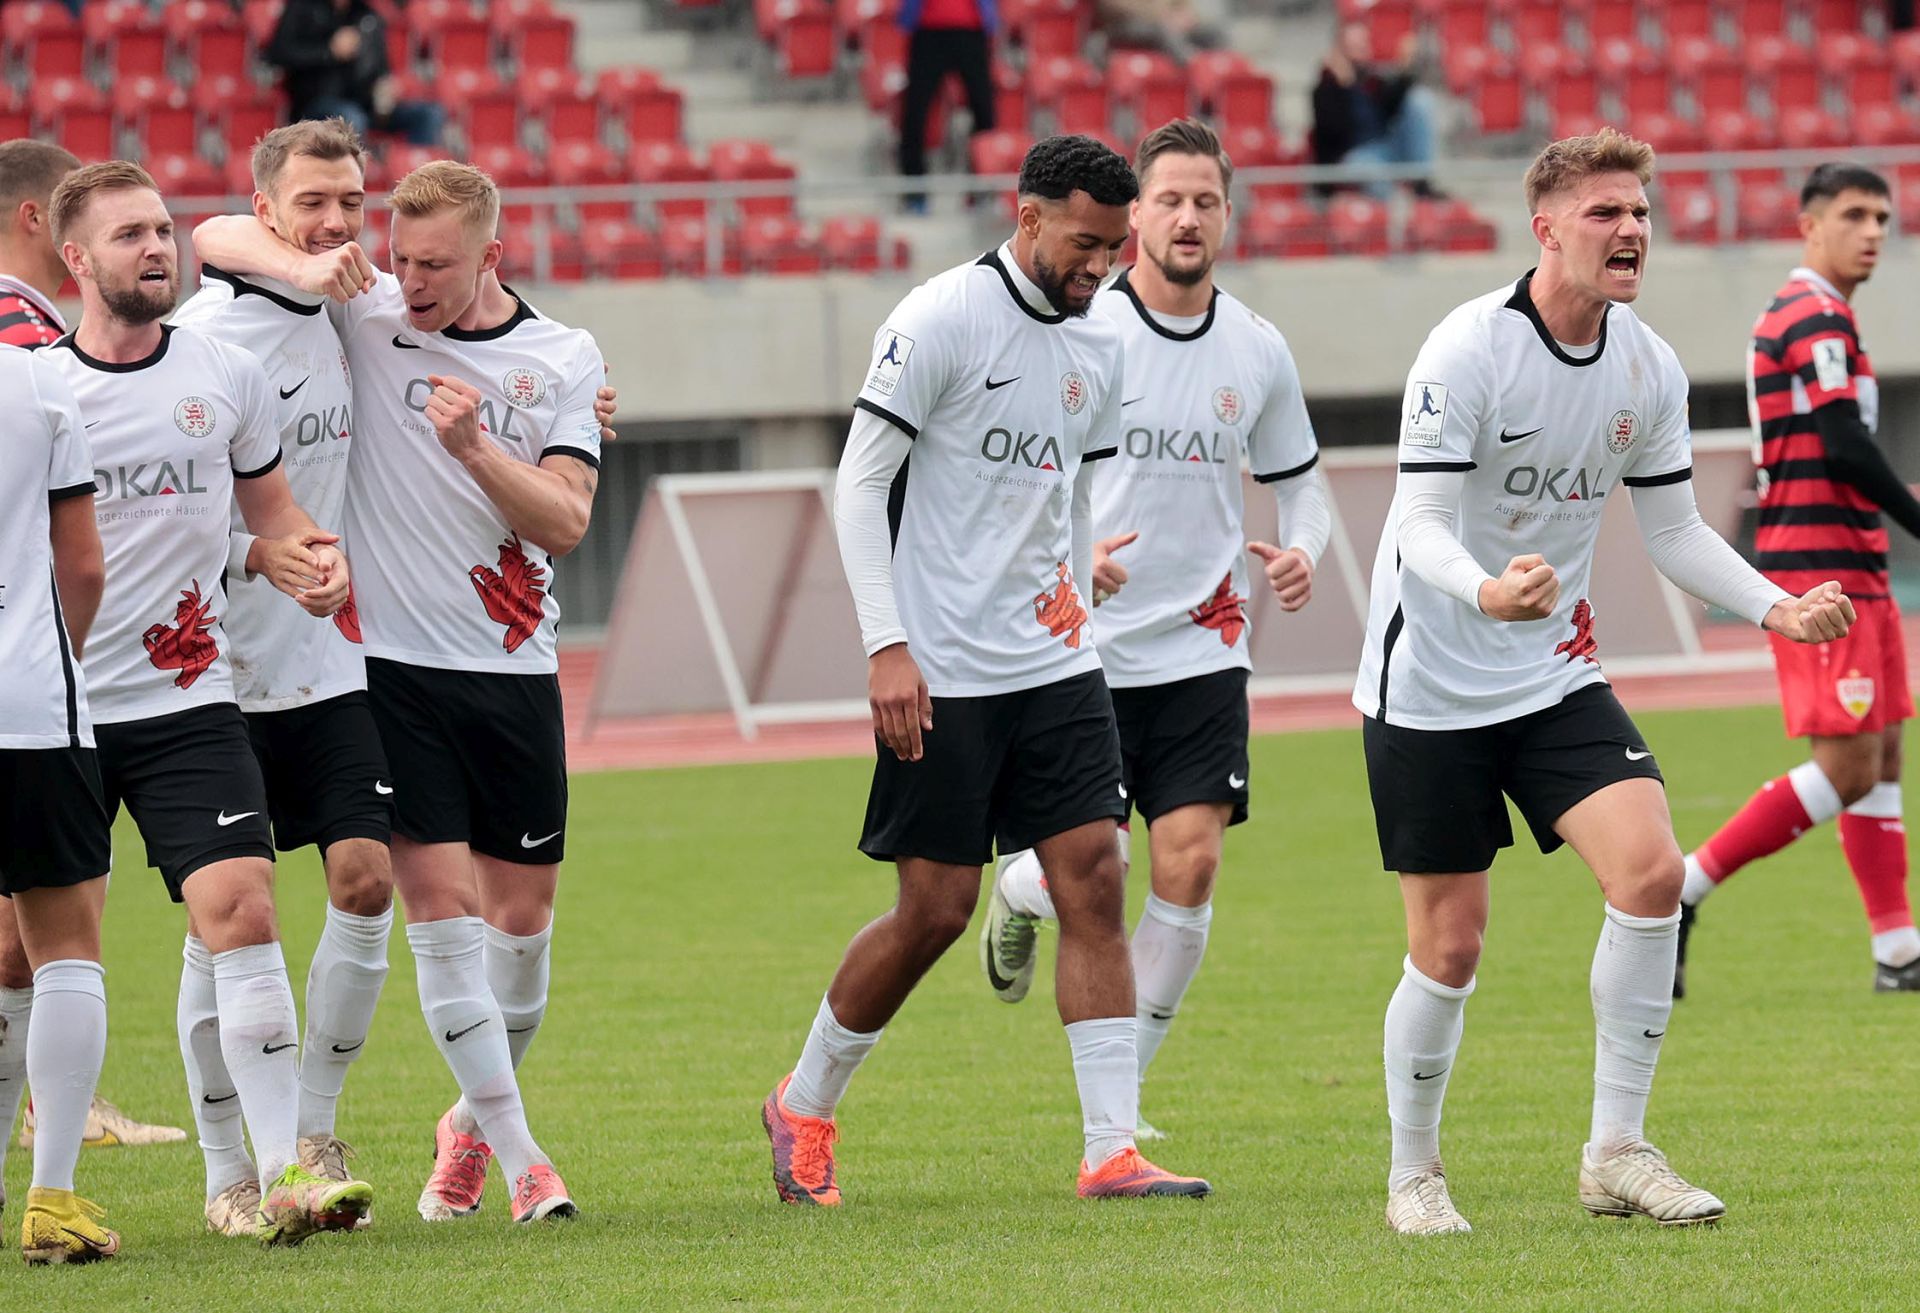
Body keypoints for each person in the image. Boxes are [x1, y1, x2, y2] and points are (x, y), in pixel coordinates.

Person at [1352, 128, 1855, 1235]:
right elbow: (1421, 522)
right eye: (1604, 214)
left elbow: (1673, 528)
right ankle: (1413, 1173)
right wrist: (1487, 591)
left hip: (1553, 673)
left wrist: (1774, 603)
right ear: (1546, 229)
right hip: (1429, 683)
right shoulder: (1466, 350)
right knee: (1449, 946)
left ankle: (1616, 1150)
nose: (1631, 231)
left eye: (1639, 212)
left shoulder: (1649, 365)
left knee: (1650, 873)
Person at [760, 134, 1210, 1206]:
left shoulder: (1100, 343)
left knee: (1096, 876)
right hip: (940, 669)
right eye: (1085, 243)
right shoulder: (938, 319)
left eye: (1115, 245)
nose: (1100, 265)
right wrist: (886, 643)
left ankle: (1110, 1148)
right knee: (935, 909)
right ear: (1029, 218)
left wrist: (1079, 574)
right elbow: (860, 487)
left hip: (1055, 664)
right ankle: (804, 1101)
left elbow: (1079, 487)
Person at [194, 159, 607, 1226]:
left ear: (491, 256)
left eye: (437, 265)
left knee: (523, 943)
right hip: (393, 676)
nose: (411, 283)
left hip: (515, 672)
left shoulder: (562, 356)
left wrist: (473, 446)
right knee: (427, 912)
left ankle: (466, 1126)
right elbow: (211, 239)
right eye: (403, 258)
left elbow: (563, 523)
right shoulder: (365, 310)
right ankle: (498, 1157)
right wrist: (312, 251)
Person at [44, 161, 374, 1244]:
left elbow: (278, 514)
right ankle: (39, 1197)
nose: (155, 247)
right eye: (128, 234)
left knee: (243, 909)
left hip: (192, 699)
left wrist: (302, 560)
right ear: (73, 260)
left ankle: (277, 1175)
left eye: (161, 229)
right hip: (62, 709)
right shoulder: (39, 392)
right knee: (23, 957)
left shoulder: (222, 371)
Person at [980, 119, 1330, 1138]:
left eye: (1205, 201)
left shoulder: (1256, 348)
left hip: (1203, 640)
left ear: (1229, 214)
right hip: (1079, 642)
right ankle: (1016, 888)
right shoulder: (1083, 329)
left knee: (1191, 860)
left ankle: (1119, 1106)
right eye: (1168, 199)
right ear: (1137, 214)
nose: (1187, 217)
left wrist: (1302, 543)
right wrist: (1065, 553)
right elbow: (1008, 471)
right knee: (1092, 867)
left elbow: (1299, 481)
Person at [167, 118, 396, 1234]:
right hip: (218, 665)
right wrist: (258, 553)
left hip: (331, 657)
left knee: (363, 878)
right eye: (312, 202)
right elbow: (163, 516)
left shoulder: (359, 307)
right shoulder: (206, 336)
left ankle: (310, 1129)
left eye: (351, 201)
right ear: (266, 213)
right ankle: (227, 1174)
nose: (337, 222)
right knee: (225, 924)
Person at [1676, 166, 1919, 994]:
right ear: (1810, 225)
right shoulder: (1812, 312)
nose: (1874, 230)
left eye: (1883, 217)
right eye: (1854, 214)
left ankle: (1896, 950)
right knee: (1850, 765)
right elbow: (1841, 443)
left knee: (1882, 756)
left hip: (1855, 560)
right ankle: (1683, 887)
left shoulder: (1830, 314)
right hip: (1821, 570)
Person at [0, 138, 188, 1164]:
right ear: (46, 226)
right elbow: (80, 558)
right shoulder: (35, 355)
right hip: (38, 688)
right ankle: (52, 1156)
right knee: (55, 936)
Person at [0, 343, 117, 1264]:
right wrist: (53, 657)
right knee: (65, 946)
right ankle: (52, 1199)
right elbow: (80, 563)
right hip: (26, 708)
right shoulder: (38, 377)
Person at [266, 0, 444, 147]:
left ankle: (418, 180)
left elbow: (381, 68)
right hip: (316, 102)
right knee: (351, 118)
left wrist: (386, 86)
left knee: (429, 114)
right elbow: (277, 54)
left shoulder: (368, 16)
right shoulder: (302, 7)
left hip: (366, 103)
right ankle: (354, 181)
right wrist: (329, 51)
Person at [1310, 21, 1440, 199]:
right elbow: (1334, 131)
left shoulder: (1373, 81)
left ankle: (1421, 182)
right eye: (1354, 46)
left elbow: (1392, 108)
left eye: (1364, 44)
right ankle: (1395, 213)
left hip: (1384, 149)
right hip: (1353, 156)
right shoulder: (1325, 89)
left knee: (1420, 100)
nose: (1362, 50)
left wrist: (1406, 70)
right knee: (1368, 166)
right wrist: (1345, 87)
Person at [897, 0, 997, 211]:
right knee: (915, 114)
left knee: (984, 113)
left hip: (971, 33)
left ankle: (980, 190)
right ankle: (914, 193)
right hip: (928, 33)